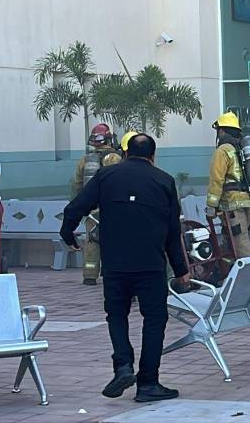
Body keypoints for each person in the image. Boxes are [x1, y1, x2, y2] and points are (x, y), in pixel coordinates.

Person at [60, 133, 190, 403]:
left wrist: (68, 233)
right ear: (153, 156)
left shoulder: (106, 176)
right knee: (154, 320)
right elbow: (172, 231)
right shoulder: (164, 181)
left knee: (116, 315)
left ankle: (122, 365)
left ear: (126, 153)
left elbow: (76, 207)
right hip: (150, 265)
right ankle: (148, 383)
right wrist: (180, 270)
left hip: (115, 265)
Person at [74, 123, 122, 286]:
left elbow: (78, 185)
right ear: (109, 139)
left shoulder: (84, 160)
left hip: (91, 209)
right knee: (115, 239)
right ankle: (113, 272)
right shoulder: (116, 158)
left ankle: (90, 275)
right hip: (114, 208)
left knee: (92, 240)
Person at [206, 112, 250, 257]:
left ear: (222, 131)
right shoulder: (241, 148)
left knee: (241, 245)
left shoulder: (223, 150)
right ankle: (230, 269)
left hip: (233, 204)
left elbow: (216, 180)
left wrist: (211, 206)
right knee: (233, 243)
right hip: (247, 202)